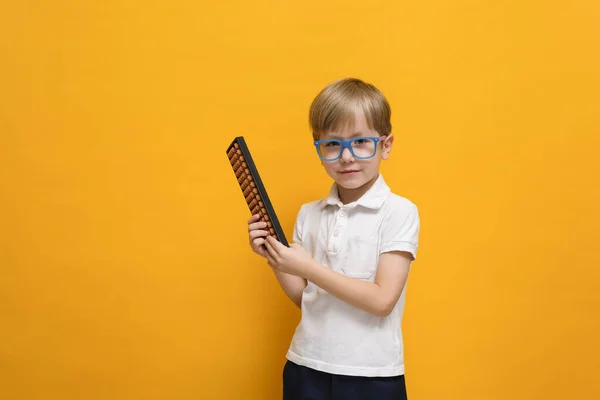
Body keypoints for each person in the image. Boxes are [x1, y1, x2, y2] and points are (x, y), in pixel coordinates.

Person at [247, 77, 420, 400]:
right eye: (332, 144)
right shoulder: (309, 214)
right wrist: (277, 260)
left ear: (386, 145)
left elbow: (382, 301)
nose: (346, 157)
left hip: (370, 374)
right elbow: (307, 299)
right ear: (318, 147)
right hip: (305, 364)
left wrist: (308, 267)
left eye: (361, 142)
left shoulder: (399, 212)